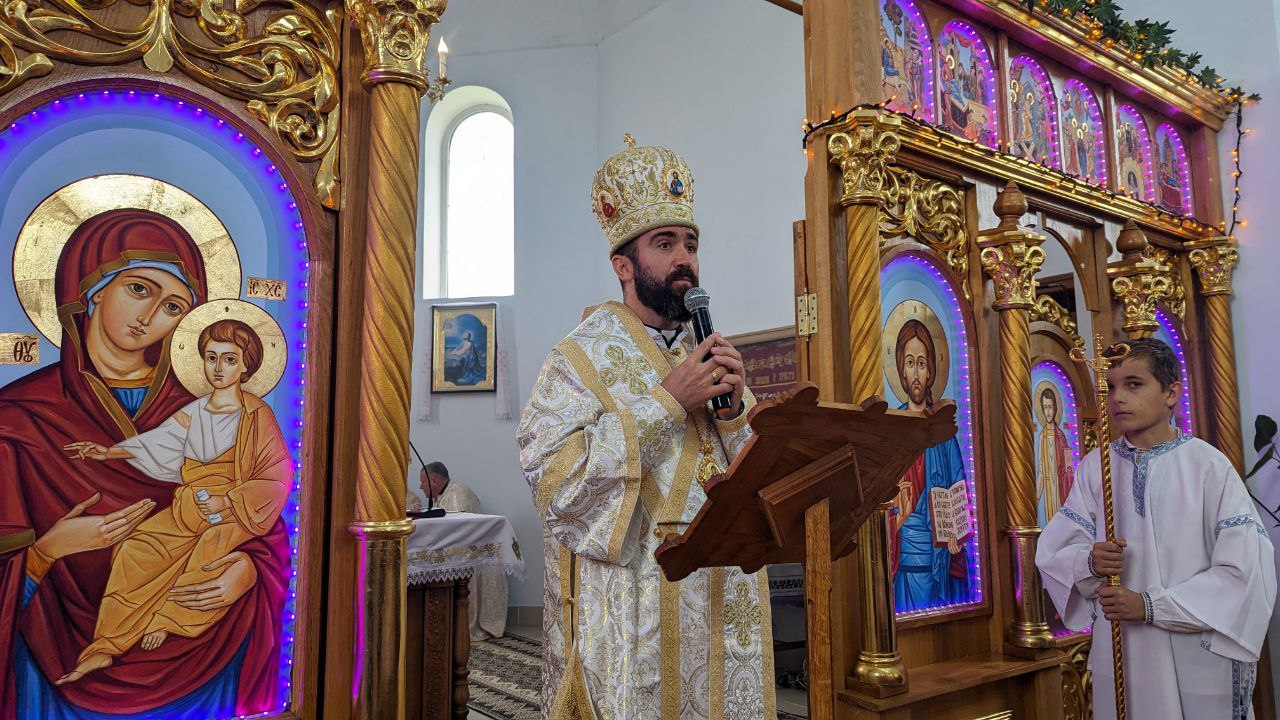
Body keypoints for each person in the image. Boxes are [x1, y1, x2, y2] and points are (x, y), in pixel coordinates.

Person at [516, 140, 773, 718]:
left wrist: (735, 415)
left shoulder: (708, 352)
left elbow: (755, 473)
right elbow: (554, 480)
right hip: (640, 600)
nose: (685, 259)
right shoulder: (577, 359)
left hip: (723, 590)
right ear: (624, 266)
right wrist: (666, 403)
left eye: (691, 245)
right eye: (665, 244)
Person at [0, 209, 290, 718]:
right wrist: (47, 551)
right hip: (50, 660)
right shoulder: (19, 417)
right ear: (92, 290)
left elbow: (266, 507)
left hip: (202, 653)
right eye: (138, 289)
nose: (150, 315)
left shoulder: (212, 406)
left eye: (173, 306)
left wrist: (248, 571)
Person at [1036, 338, 1275, 719]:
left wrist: (1149, 606)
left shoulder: (1208, 467)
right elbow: (1055, 554)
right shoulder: (1095, 468)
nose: (1118, 397)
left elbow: (1245, 571)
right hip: (1124, 652)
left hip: (1194, 654)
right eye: (1111, 386)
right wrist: (1090, 562)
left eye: (1134, 384)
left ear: (1171, 393)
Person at [59, 319, 291, 684]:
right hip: (188, 508)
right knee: (136, 548)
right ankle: (106, 645)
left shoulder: (256, 415)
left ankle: (167, 620)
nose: (218, 368)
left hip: (234, 512)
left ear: (246, 366)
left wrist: (227, 501)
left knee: (209, 549)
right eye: (211, 357)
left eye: (229, 359)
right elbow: (157, 443)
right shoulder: (194, 412)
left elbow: (277, 475)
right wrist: (108, 452)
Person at [888, 318, 969, 612]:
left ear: (931, 370)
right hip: (904, 560)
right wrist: (896, 517)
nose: (916, 373)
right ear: (901, 370)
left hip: (938, 559)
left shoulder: (943, 434)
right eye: (910, 363)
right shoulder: (892, 430)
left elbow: (958, 489)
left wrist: (957, 534)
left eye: (921, 364)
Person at [407, 462, 506, 640]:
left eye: (423, 482)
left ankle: (460, 623)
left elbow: (464, 534)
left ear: (433, 480)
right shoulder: (441, 497)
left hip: (473, 558)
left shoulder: (460, 494)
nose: (420, 486)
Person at [1036, 387, 1075, 523]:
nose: (1048, 412)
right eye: (1045, 407)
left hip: (1060, 488)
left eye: (1050, 407)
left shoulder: (1061, 437)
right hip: (1048, 490)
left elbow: (1069, 469)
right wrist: (1036, 499)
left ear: (1055, 408)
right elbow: (1041, 470)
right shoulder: (1042, 437)